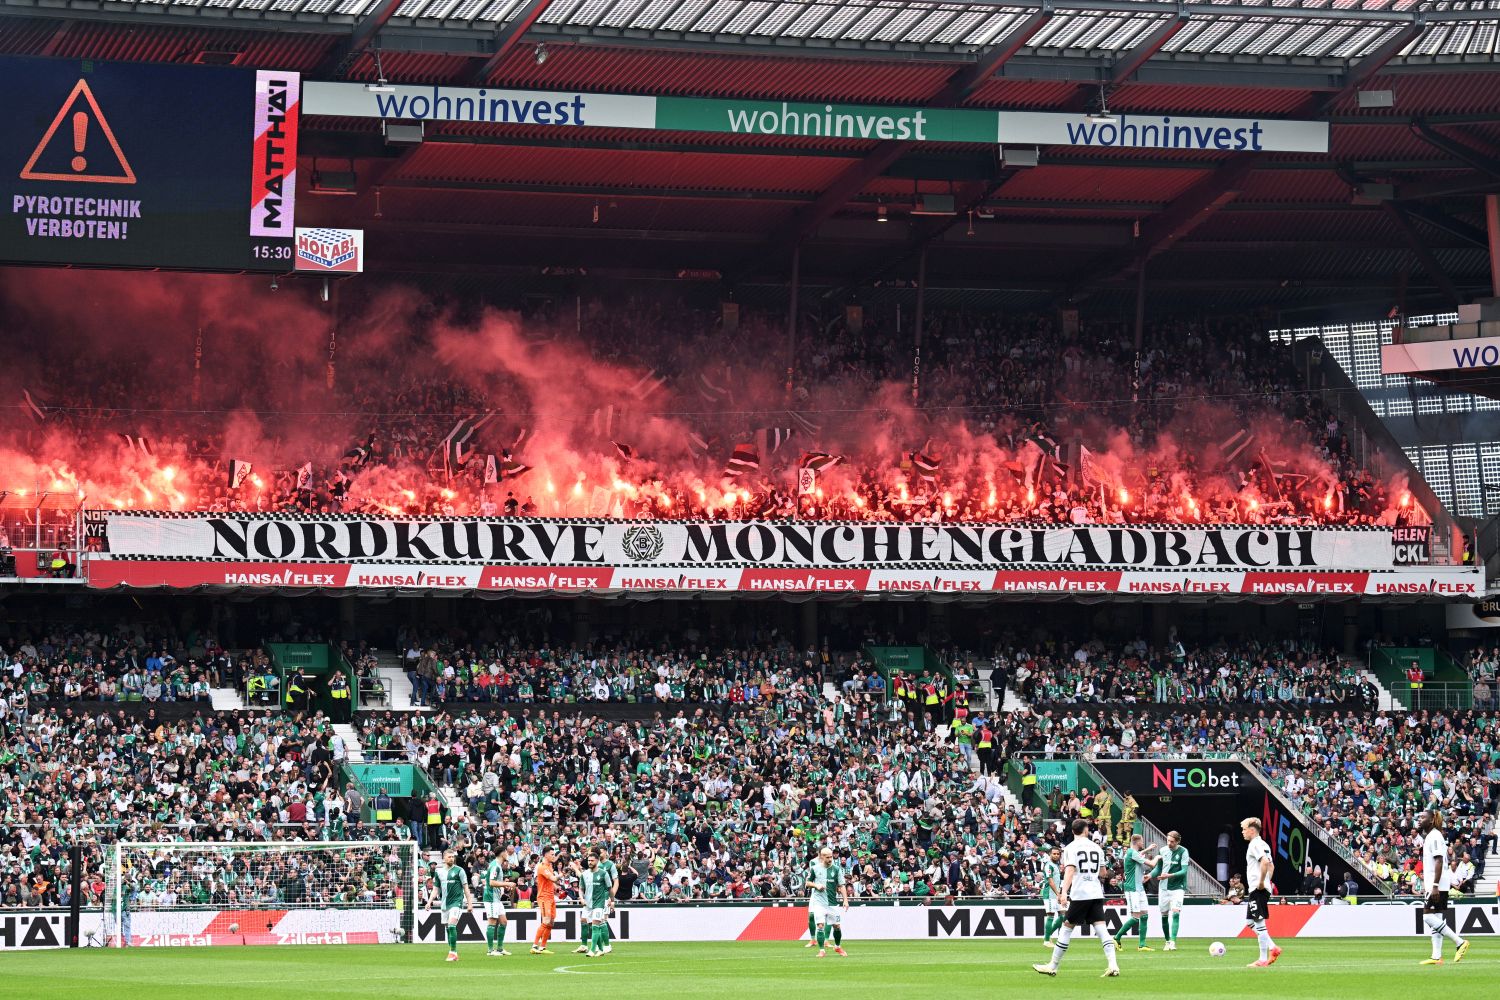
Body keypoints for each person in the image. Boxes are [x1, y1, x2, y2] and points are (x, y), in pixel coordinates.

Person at [1034, 818, 1119, 978]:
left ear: (1073, 831)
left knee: (1066, 928)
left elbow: (1070, 871)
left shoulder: (1071, 848)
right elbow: (1103, 874)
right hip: (1096, 893)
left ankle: (1052, 966)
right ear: (1086, 830)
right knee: (1101, 929)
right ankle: (1113, 965)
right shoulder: (1097, 848)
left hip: (1080, 894)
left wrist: (1064, 892)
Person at [1419, 809, 1470, 966]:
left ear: (1431, 820)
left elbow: (1439, 861)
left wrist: (1434, 886)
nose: (1419, 819)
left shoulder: (1434, 836)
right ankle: (1436, 956)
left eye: (1422, 817)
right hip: (1436, 883)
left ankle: (1460, 942)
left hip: (1438, 884)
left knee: (1427, 916)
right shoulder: (1431, 836)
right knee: (1437, 918)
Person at [1241, 817, 1282, 968]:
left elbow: (1265, 862)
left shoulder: (1255, 844)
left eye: (1244, 829)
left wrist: (1261, 882)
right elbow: (1271, 866)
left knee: (1259, 922)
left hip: (1258, 888)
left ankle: (1263, 959)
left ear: (1252, 830)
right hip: (1261, 888)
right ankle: (1273, 947)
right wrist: (1266, 882)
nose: (1243, 832)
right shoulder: (1263, 844)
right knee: (1250, 922)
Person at [1113, 833, 1157, 952]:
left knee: (1144, 915)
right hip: (1132, 889)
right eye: (1142, 841)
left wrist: (1148, 849)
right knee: (1135, 917)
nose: (1143, 843)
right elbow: (1152, 864)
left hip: (1139, 888)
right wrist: (1159, 857)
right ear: (1137, 842)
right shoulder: (1132, 853)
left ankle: (1142, 945)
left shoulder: (1133, 853)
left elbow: (1139, 854)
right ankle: (1116, 938)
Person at [807, 845, 848, 958]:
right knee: (820, 926)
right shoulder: (815, 868)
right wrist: (816, 885)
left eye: (831, 857)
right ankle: (821, 950)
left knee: (837, 926)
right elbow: (807, 883)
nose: (830, 859)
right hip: (819, 903)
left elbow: (842, 885)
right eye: (828, 857)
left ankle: (838, 946)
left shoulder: (836, 869)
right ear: (822, 857)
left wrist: (845, 900)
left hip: (832, 903)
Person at [1157, 831, 1189, 951]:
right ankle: (1167, 941)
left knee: (1175, 913)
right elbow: (1159, 869)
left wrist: (1169, 875)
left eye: (1172, 841)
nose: (1169, 843)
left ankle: (1173, 942)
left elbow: (1184, 871)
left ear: (1177, 842)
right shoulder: (1163, 850)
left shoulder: (1183, 851)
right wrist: (1149, 875)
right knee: (1164, 915)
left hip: (1177, 888)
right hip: (1163, 888)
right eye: (1168, 840)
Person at [440, 850, 472, 962]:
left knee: (452, 925)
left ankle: (452, 953)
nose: (451, 859)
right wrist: (429, 902)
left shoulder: (460, 870)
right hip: (445, 905)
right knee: (448, 928)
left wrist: (470, 903)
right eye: (449, 857)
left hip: (457, 903)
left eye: (453, 857)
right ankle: (453, 952)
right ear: (444, 858)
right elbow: (436, 889)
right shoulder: (439, 872)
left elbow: (466, 888)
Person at [483, 846, 514, 957]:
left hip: (496, 898)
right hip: (491, 898)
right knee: (492, 922)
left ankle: (500, 948)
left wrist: (504, 887)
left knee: (504, 922)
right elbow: (491, 882)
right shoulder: (495, 866)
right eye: (506, 851)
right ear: (502, 853)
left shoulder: (497, 866)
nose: (507, 853)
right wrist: (507, 884)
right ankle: (490, 950)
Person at [531, 847, 559, 954]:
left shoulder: (549, 866)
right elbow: (553, 878)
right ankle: (534, 946)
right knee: (546, 921)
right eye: (552, 854)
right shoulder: (542, 867)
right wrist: (562, 874)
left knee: (551, 922)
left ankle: (542, 947)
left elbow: (550, 881)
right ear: (546, 855)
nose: (553, 856)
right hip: (543, 897)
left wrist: (556, 887)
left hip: (551, 897)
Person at [593, 845, 619, 955]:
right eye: (599, 852)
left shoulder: (610, 865)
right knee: (596, 922)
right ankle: (601, 946)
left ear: (606, 852)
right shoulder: (595, 864)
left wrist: (611, 898)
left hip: (605, 896)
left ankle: (606, 945)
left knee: (602, 920)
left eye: (602, 851)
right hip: (595, 897)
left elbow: (616, 882)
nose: (600, 853)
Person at [1040, 846, 1063, 946]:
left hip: (1057, 894)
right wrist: (1058, 894)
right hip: (1049, 894)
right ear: (1050, 854)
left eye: (1058, 854)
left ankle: (1048, 936)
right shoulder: (1048, 865)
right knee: (1050, 915)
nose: (1056, 855)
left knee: (1063, 916)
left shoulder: (1056, 865)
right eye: (1054, 853)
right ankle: (1046, 941)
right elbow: (1050, 881)